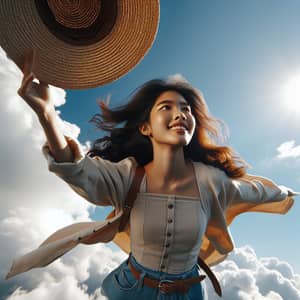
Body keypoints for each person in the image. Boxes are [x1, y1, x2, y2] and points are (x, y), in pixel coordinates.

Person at [11, 50, 298, 300]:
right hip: (127, 289)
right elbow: (78, 171)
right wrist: (46, 114)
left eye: (186, 109)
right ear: (146, 128)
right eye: (167, 107)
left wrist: (287, 191)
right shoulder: (128, 177)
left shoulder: (213, 182)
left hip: (189, 294)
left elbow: (258, 191)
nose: (180, 113)